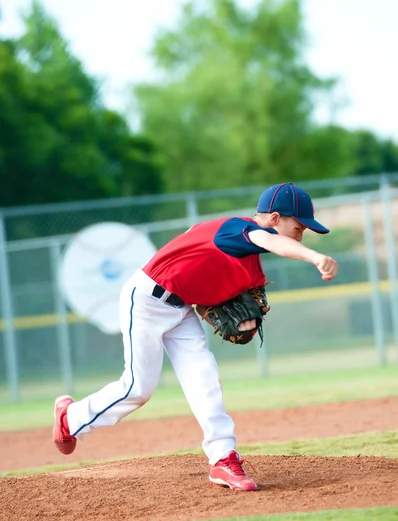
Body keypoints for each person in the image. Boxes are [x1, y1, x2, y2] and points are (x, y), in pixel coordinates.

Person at [53, 183, 338, 491]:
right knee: (138, 387)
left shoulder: (249, 262)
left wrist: (244, 324)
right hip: (146, 300)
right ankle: (70, 419)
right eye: (297, 228)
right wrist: (313, 257)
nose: (300, 236)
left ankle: (223, 459)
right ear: (274, 219)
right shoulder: (238, 230)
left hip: (181, 307)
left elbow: (208, 286)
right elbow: (271, 242)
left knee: (204, 378)